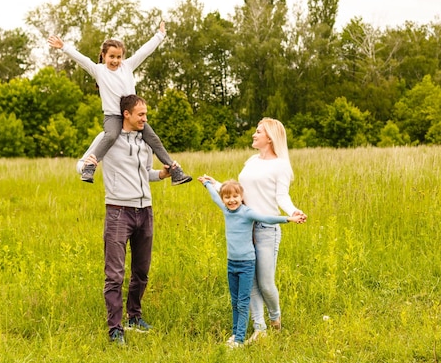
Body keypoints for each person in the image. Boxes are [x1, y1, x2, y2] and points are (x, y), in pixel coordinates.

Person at [76, 94, 177, 345]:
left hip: (145, 211)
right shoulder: (107, 139)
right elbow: (80, 165)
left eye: (146, 114)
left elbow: (145, 174)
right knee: (115, 275)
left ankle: (134, 316)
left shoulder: (144, 141)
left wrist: (161, 175)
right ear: (127, 115)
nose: (145, 119)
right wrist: (89, 165)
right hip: (119, 211)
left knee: (141, 271)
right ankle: (115, 329)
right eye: (141, 114)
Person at [202, 118, 307, 342]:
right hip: (245, 227)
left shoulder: (281, 165)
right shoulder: (251, 161)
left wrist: (293, 211)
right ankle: (260, 329)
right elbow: (240, 193)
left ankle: (275, 318)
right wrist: (216, 184)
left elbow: (282, 196)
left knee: (266, 283)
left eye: (258, 132)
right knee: (250, 283)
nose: (254, 134)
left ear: (269, 137)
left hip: (267, 229)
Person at [49, 21, 192, 185]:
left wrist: (160, 35)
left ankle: (174, 171)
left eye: (118, 57)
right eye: (111, 57)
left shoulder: (128, 66)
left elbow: (144, 51)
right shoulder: (99, 71)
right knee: (110, 136)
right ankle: (89, 166)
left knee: (153, 138)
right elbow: (81, 59)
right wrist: (63, 46)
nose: (115, 61)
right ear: (103, 55)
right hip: (113, 117)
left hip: (133, 115)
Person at [197, 177, 304, 348]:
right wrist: (207, 184)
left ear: (241, 196)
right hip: (231, 263)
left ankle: (239, 339)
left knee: (243, 301)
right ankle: (234, 334)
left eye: (235, 196)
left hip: (247, 263)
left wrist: (289, 219)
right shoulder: (225, 210)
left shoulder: (247, 213)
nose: (231, 200)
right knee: (234, 301)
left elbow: (267, 218)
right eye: (227, 197)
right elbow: (214, 197)